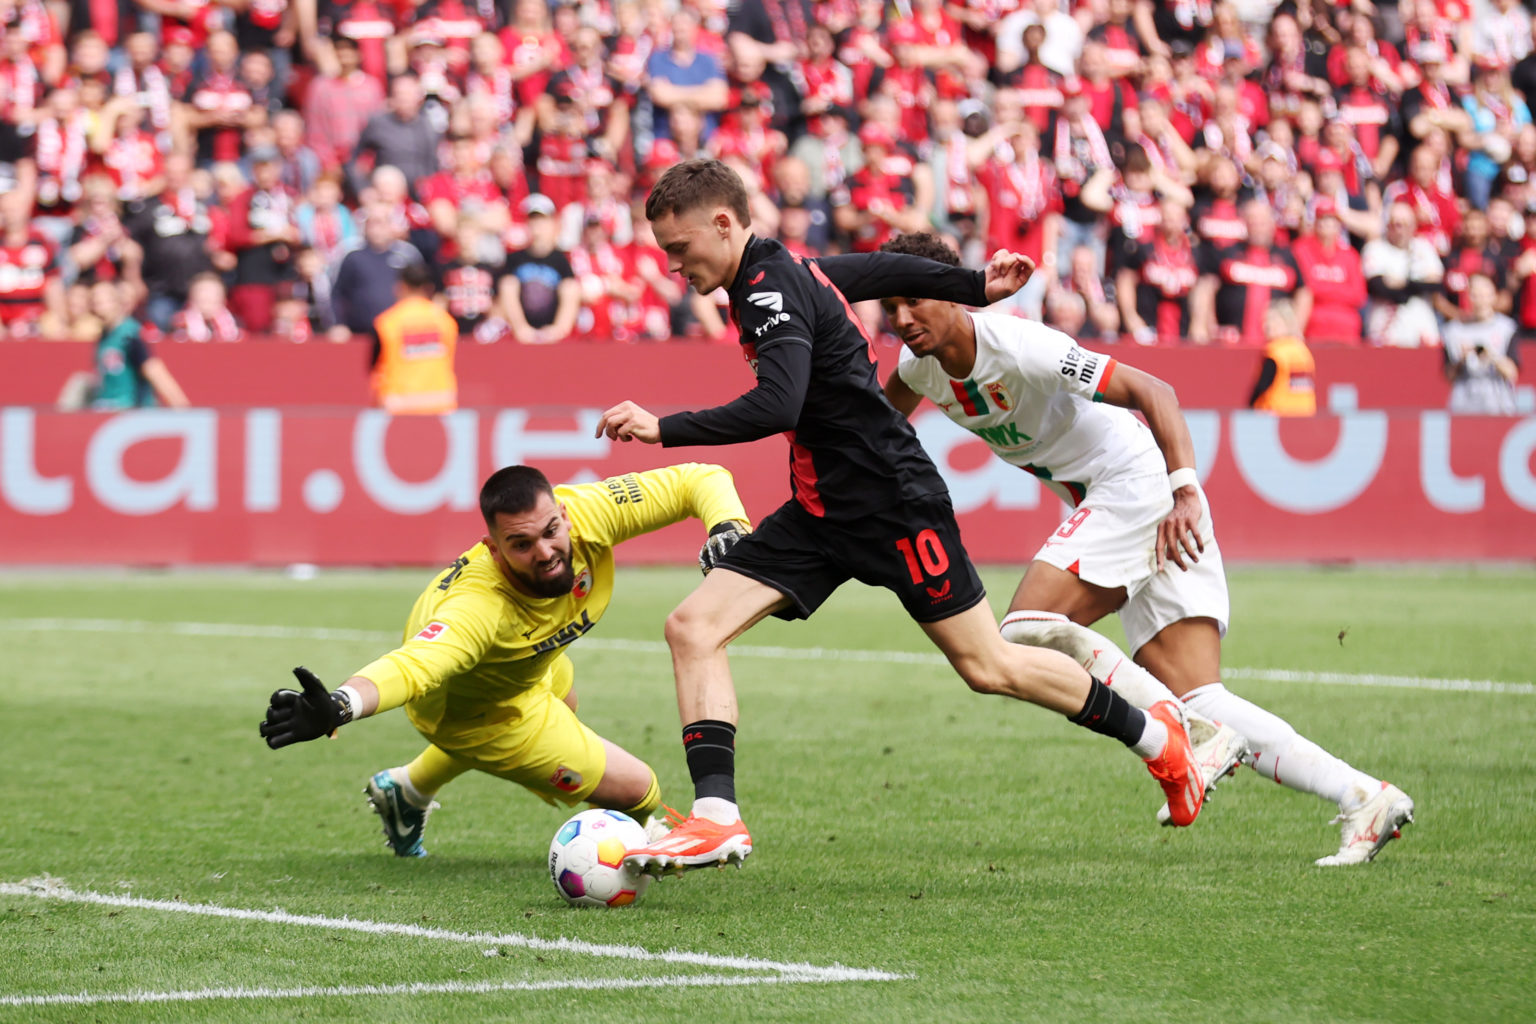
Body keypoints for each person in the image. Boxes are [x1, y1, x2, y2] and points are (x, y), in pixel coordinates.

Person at [594, 158, 1210, 877]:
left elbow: (778, 405)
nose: (674, 265)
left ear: (724, 225)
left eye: (680, 247)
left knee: (989, 665)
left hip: (892, 503)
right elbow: (881, 270)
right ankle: (715, 819)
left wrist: (662, 428)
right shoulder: (783, 271)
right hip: (825, 509)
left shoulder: (767, 289)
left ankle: (1157, 738)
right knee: (692, 627)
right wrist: (975, 285)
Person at [875, 231, 1414, 867]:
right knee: (1200, 693)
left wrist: (1184, 490)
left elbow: (1156, 391)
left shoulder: (1023, 345)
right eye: (891, 306)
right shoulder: (917, 368)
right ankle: (1363, 796)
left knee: (1023, 629)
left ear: (954, 296)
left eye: (915, 300)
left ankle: (1185, 737)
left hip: (1136, 483)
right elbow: (874, 431)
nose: (903, 318)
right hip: (1122, 497)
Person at [260, 462, 754, 858]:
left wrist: (728, 526)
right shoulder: (481, 608)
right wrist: (341, 705)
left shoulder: (589, 513)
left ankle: (408, 789)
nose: (546, 552)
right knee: (639, 790)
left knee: (567, 700)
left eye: (551, 530)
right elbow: (413, 668)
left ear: (563, 511)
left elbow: (701, 478)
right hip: (467, 708)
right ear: (493, 549)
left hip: (526, 664)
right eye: (521, 545)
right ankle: (623, 848)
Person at [371, 261, 458, 414]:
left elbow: (375, 365)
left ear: (401, 286)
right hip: (440, 402)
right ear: (428, 288)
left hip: (399, 404)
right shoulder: (445, 320)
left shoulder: (387, 321)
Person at [1442, 273, 1521, 415]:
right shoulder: (1454, 331)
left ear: (1494, 295)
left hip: (1498, 406)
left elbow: (1512, 372)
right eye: (1475, 294)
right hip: (1464, 406)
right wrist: (1462, 359)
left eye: (1485, 293)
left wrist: (1490, 355)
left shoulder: (1506, 328)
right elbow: (1449, 375)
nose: (1480, 299)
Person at [1248, 300, 1316, 416]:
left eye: (1272, 320)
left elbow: (1262, 386)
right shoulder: (1304, 351)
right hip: (1305, 416)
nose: (1267, 326)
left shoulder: (1276, 353)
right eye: (1265, 321)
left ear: (1287, 323)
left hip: (1276, 416)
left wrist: (1249, 409)